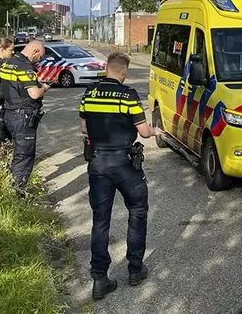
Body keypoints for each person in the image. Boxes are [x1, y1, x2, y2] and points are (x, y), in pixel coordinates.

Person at [79, 51, 164, 300]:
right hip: (125, 164)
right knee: (137, 211)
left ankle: (99, 280)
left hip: (98, 164)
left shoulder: (89, 93)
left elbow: (83, 127)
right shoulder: (128, 95)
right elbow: (144, 131)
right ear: (124, 72)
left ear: (107, 69)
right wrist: (155, 130)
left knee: (100, 220)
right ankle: (135, 270)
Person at [0, 40, 52, 194]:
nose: (39, 60)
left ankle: (9, 187)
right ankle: (17, 193)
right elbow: (34, 93)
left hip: (9, 113)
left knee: (14, 154)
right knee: (24, 156)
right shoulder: (25, 66)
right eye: (39, 56)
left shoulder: (9, 62)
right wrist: (44, 88)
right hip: (23, 117)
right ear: (35, 51)